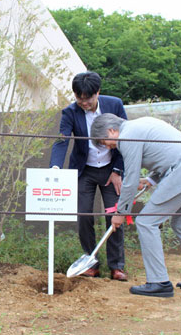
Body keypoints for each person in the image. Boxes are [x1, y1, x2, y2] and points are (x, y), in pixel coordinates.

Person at [91, 114, 181, 297]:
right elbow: (167, 155)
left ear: (111, 130)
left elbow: (129, 180)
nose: (107, 147)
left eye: (104, 141)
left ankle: (158, 281)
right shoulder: (142, 124)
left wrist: (120, 212)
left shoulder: (127, 136)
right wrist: (149, 180)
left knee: (147, 222)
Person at [50, 71, 128, 281]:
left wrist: (118, 170)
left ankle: (116, 266)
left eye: (88, 98)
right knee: (83, 215)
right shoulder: (70, 112)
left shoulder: (115, 105)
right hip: (84, 170)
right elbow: (61, 140)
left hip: (111, 170)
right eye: (79, 98)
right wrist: (56, 167)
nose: (83, 103)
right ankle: (91, 263)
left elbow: (127, 138)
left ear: (98, 93)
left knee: (114, 215)